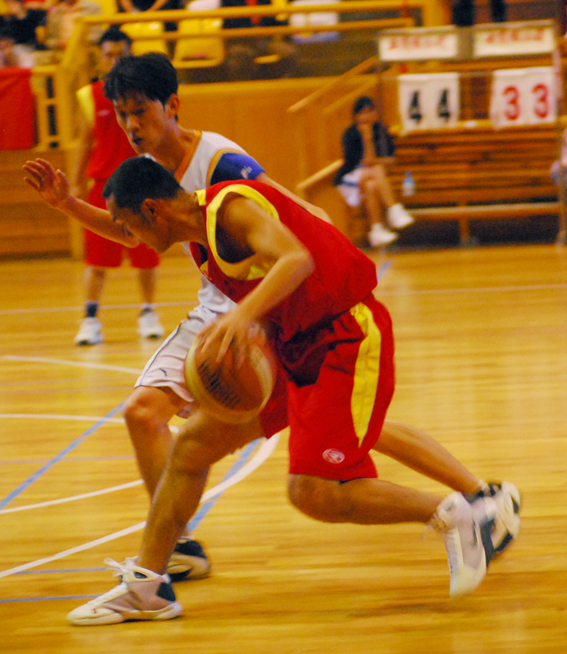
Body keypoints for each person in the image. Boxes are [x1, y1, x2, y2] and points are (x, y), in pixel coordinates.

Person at [23, 156, 521, 624]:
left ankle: (455, 516)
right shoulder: (196, 235)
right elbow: (132, 234)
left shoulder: (230, 209)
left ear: (152, 209)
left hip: (345, 336)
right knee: (192, 446)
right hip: (291, 346)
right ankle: (146, 588)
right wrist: (67, 204)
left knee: (312, 491)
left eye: (129, 222)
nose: (127, 234)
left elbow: (296, 259)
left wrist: (240, 317)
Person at [23, 51, 332, 583]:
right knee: (143, 413)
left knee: (340, 422)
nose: (130, 125)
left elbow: (299, 214)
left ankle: (465, 498)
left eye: (139, 111)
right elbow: (130, 233)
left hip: (262, 307)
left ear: (172, 106)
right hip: (216, 304)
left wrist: (298, 301)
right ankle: (180, 544)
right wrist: (67, 204)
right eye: (122, 114)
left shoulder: (220, 162)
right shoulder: (148, 170)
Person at [70, 28, 164, 346]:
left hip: (143, 184)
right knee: (97, 260)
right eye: (108, 54)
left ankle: (148, 312)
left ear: (130, 55)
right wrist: (76, 182)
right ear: (100, 58)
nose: (114, 60)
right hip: (103, 187)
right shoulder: (90, 95)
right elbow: (85, 142)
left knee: (147, 257)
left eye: (120, 54)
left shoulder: (147, 94)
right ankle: (90, 318)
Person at [334, 96, 415, 248]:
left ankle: (376, 229)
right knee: (376, 169)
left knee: (371, 186)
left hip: (369, 178)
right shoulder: (350, 134)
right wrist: (367, 139)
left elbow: (391, 159)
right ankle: (394, 209)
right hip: (350, 179)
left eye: (370, 112)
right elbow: (364, 161)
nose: (367, 116)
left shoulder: (382, 131)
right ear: (356, 116)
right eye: (363, 113)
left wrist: (377, 159)